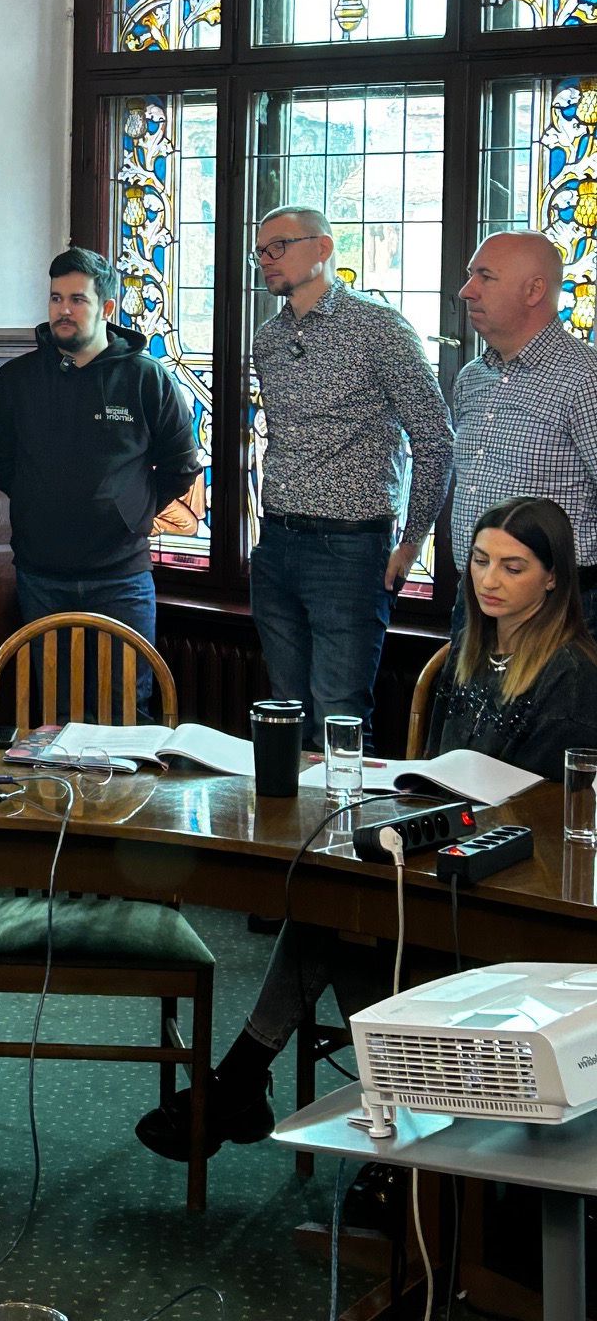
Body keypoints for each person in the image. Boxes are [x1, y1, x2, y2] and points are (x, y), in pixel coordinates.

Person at [136, 494, 597, 1163]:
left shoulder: (572, 674)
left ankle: (262, 1088)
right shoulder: (470, 653)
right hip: (443, 866)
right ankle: (403, 1137)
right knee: (329, 906)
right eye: (479, 561)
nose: (489, 580)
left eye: (513, 567)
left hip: (511, 900)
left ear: (553, 578)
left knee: (331, 925)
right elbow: (437, 774)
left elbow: (549, 813)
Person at [249, 205, 453, 744]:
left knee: (338, 716)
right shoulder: (268, 338)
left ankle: (342, 804)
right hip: (276, 542)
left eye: (279, 246)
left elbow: (435, 437)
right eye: (260, 250)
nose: (266, 259)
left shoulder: (378, 327)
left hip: (350, 549)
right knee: (283, 714)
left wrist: (412, 541)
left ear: (322, 248)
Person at [0, 246, 202, 717]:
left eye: (77, 299)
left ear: (106, 307)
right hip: (41, 575)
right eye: (56, 298)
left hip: (121, 576)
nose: (63, 310)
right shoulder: (17, 379)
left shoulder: (147, 379)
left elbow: (182, 466)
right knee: (55, 712)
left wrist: (131, 510)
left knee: (127, 711)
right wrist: (43, 498)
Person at [453, 231, 597, 627]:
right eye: (470, 275)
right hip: (474, 595)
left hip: (558, 606)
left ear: (534, 290)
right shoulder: (472, 377)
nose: (467, 291)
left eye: (485, 276)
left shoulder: (584, 379)